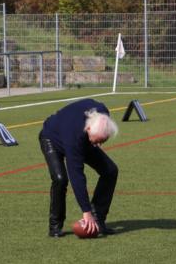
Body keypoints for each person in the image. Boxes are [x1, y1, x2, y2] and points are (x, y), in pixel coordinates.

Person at [39, 98, 119, 238]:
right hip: (51, 137)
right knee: (60, 179)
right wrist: (86, 211)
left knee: (110, 171)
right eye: (97, 141)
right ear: (88, 129)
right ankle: (55, 226)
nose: (99, 145)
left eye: (103, 141)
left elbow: (95, 139)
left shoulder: (103, 116)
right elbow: (76, 175)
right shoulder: (74, 136)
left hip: (83, 139)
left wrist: (94, 141)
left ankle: (98, 220)